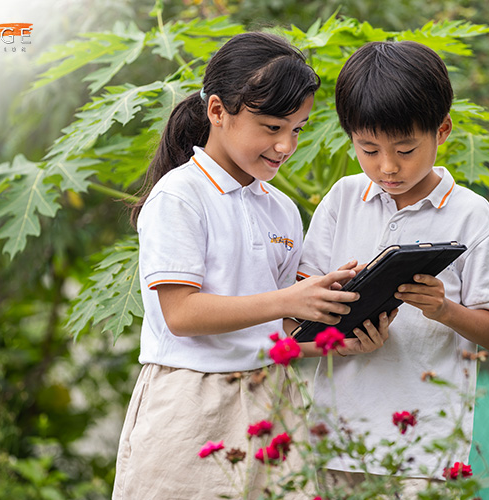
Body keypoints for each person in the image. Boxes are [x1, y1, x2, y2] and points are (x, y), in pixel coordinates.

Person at [112, 32, 390, 500]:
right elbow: (181, 315)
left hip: (274, 400)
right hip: (190, 405)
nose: (285, 145)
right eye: (271, 127)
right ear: (218, 112)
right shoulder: (179, 195)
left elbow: (273, 334)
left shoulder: (280, 208)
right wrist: (292, 299)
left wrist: (334, 338)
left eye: (298, 128)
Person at [297, 41, 489, 495]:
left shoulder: (472, 217)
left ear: (443, 130)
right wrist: (334, 315)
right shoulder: (340, 200)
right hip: (335, 438)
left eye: (406, 149)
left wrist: (442, 309)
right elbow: (297, 312)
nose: (387, 167)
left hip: (425, 449)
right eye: (368, 148)